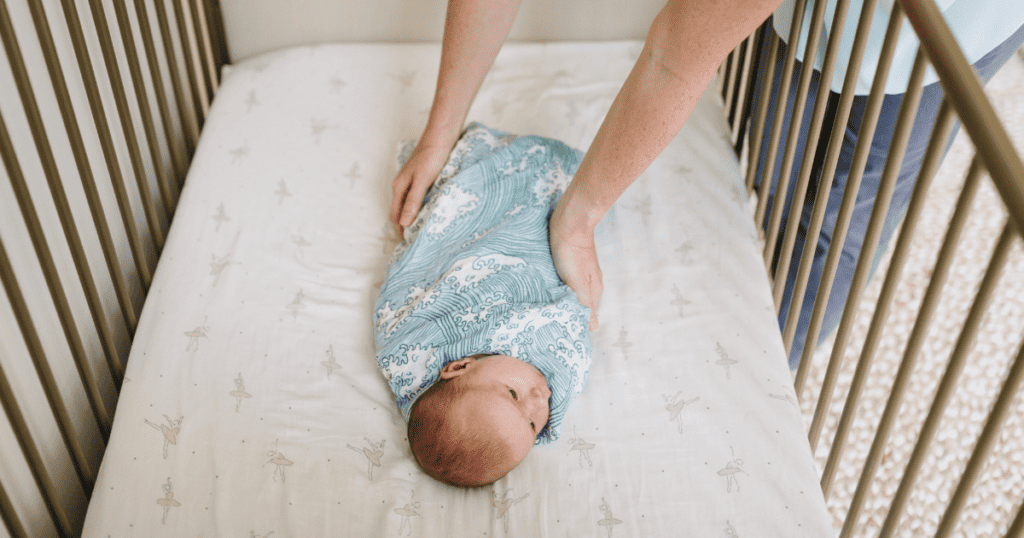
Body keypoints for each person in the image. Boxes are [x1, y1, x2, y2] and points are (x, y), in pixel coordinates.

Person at [752, 1, 1024, 367]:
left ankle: (768, 364)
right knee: (773, 158)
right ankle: (766, 278)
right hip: (818, 13)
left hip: (962, 24)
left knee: (847, 219)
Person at [375, 123, 592, 487]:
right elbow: (573, 329)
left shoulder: (413, 351)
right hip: (537, 262)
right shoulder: (554, 373)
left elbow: (413, 291)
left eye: (513, 395)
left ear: (459, 367)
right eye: (532, 424)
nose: (539, 400)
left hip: (487, 246)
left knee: (494, 210)